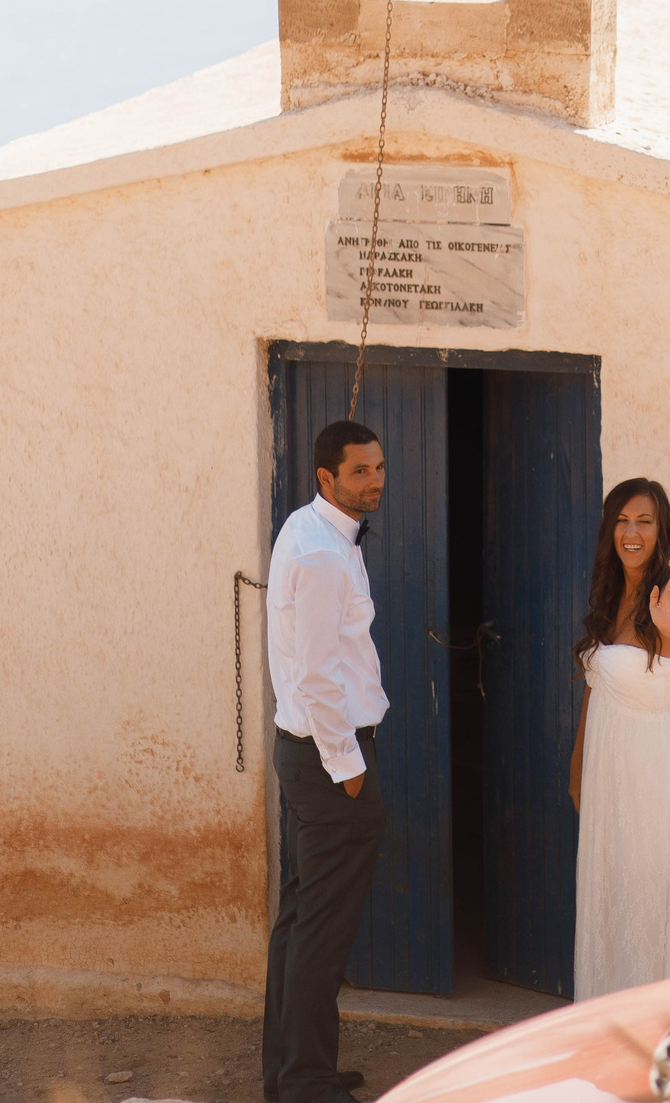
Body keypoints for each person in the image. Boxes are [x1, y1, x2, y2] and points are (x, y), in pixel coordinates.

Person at [261, 420, 390, 1103]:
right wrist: (351, 769)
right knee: (319, 929)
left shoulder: (317, 532)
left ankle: (290, 1071)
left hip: (312, 756)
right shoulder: (318, 552)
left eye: (378, 466)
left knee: (300, 921)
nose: (374, 478)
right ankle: (306, 1082)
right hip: (327, 760)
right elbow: (313, 676)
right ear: (326, 477)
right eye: (360, 470)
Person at [569, 477, 670, 998]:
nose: (632, 532)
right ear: (611, 528)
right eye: (623, 521)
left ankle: (657, 1022)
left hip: (653, 772)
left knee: (651, 894)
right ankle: (606, 1018)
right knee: (610, 893)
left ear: (660, 530)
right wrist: (576, 769)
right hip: (607, 770)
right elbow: (595, 686)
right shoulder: (608, 594)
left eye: (645, 521)